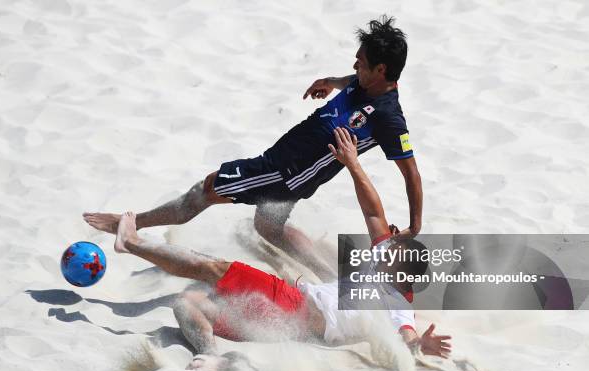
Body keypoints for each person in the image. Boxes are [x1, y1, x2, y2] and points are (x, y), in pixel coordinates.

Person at [83, 15, 423, 280]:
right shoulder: (367, 84)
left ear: (381, 70)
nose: (354, 66)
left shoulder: (389, 119)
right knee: (268, 228)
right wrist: (332, 83)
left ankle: (131, 225)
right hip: (287, 170)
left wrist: (414, 225)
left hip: (280, 172)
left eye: (361, 62)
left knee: (207, 188)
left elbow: (411, 173)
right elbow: (353, 83)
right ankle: (334, 282)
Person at [112, 127, 447, 371]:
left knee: (215, 269)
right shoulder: (384, 261)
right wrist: (352, 164)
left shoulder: (398, 303)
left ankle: (132, 243)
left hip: (297, 304)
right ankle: (210, 355)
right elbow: (373, 211)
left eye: (392, 253)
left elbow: (406, 337)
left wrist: (420, 345)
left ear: (402, 276)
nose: (385, 248)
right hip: (288, 324)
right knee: (188, 305)